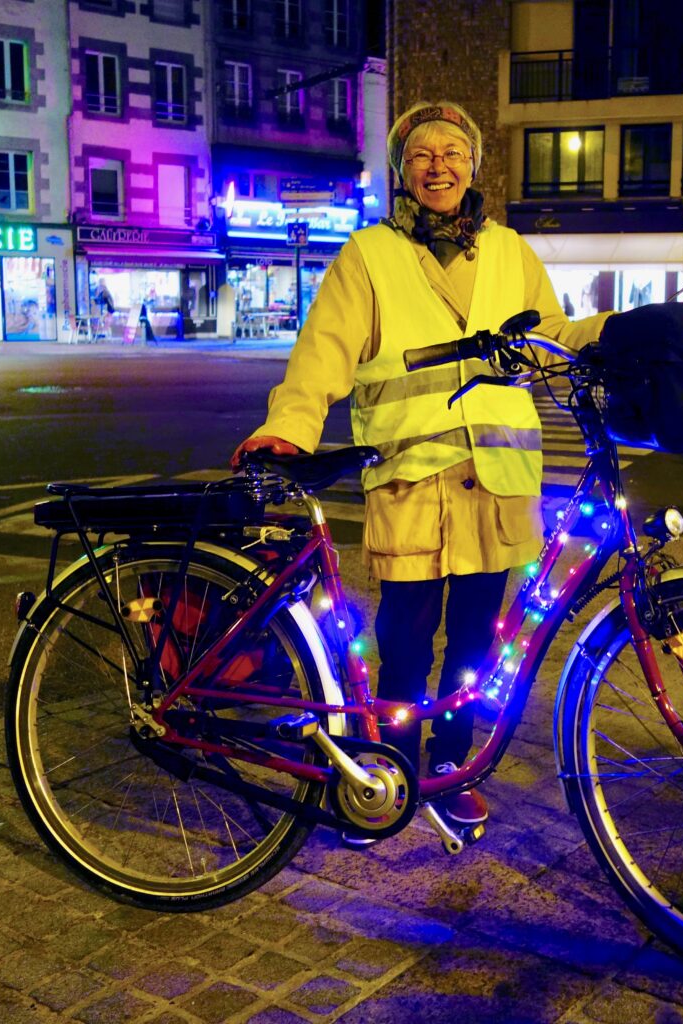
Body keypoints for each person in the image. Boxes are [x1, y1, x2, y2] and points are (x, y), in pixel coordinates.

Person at [232, 100, 610, 836]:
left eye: (452, 152)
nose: (438, 166)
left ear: (474, 164)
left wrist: (616, 334)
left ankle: (449, 768)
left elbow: (552, 337)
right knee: (404, 640)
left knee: (475, 643)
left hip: (497, 483)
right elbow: (326, 349)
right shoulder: (370, 255)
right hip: (409, 477)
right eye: (421, 155)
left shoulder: (509, 252)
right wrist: (289, 426)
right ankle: (391, 772)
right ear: (403, 171)